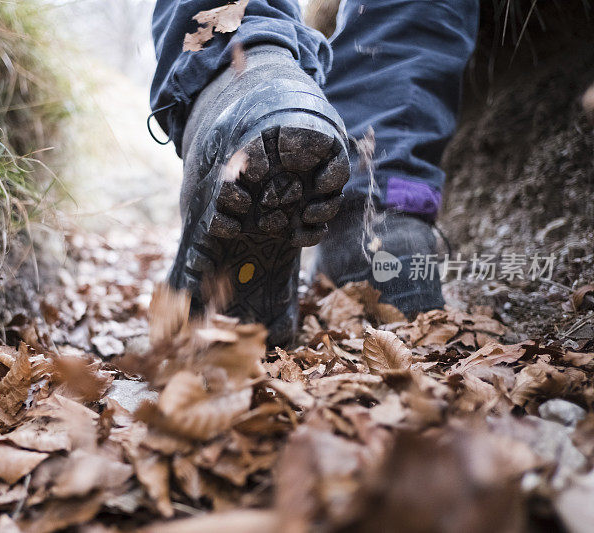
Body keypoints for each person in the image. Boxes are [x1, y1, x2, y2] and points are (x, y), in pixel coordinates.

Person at [149, 0, 479, 347]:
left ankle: (243, 60)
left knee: (246, 59)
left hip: (239, 89)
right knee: (405, 19)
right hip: (401, 174)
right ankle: (382, 219)